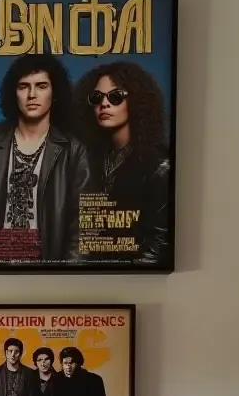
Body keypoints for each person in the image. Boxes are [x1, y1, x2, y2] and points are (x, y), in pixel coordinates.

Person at [0, 54, 90, 266]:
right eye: (24, 86)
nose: (32, 94)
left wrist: (64, 276)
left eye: (42, 86)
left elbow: (81, 228)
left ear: (55, 94)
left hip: (45, 269)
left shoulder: (74, 150)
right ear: (14, 93)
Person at [73, 61, 171, 266]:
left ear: (135, 101)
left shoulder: (159, 166)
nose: (104, 104)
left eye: (116, 96)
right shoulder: (88, 160)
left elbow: (157, 248)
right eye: (96, 97)